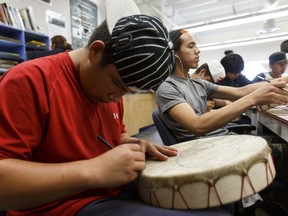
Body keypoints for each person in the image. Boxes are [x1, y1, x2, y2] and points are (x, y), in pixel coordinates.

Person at [0, 11, 232, 216]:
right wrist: (93, 170)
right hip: (60, 205)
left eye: (128, 91)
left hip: (112, 192)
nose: (118, 98)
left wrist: (131, 144)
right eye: (118, 85)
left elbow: (111, 137)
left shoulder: (109, 92)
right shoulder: (29, 81)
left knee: (214, 203)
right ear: (96, 51)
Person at [156, 29, 288, 143]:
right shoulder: (167, 87)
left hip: (222, 140)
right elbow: (197, 125)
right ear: (174, 53)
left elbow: (241, 91)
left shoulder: (197, 83)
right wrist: (253, 99)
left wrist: (282, 80)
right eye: (191, 46)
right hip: (209, 150)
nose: (198, 50)